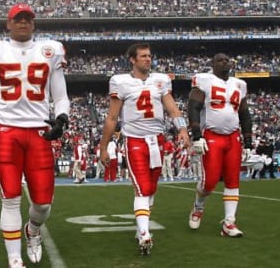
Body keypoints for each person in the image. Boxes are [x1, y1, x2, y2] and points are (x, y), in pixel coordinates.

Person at [0, 3, 70, 268]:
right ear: (8, 24)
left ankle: (33, 229)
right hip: (7, 133)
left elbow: (60, 96)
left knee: (43, 204)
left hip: (38, 135)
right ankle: (15, 264)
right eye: (18, 19)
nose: (24, 23)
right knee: (10, 198)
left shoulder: (50, 51)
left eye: (28, 19)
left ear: (34, 24)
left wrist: (62, 118)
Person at [99, 43, 190, 256]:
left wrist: (183, 129)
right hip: (134, 140)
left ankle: (142, 225)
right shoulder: (120, 82)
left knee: (150, 188)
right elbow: (112, 117)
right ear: (132, 59)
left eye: (149, 56)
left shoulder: (161, 80)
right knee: (141, 188)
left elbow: (173, 108)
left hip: (157, 140)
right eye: (143, 56)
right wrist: (103, 147)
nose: (148, 59)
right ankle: (144, 233)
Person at [187, 52, 252, 237]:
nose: (225, 63)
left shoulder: (239, 84)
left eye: (227, 60)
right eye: (220, 60)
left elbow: (245, 114)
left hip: (233, 137)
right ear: (213, 64)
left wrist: (248, 141)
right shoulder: (204, 80)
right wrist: (197, 135)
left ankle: (229, 223)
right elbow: (193, 107)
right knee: (210, 182)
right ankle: (198, 207)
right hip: (212, 135)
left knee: (233, 180)